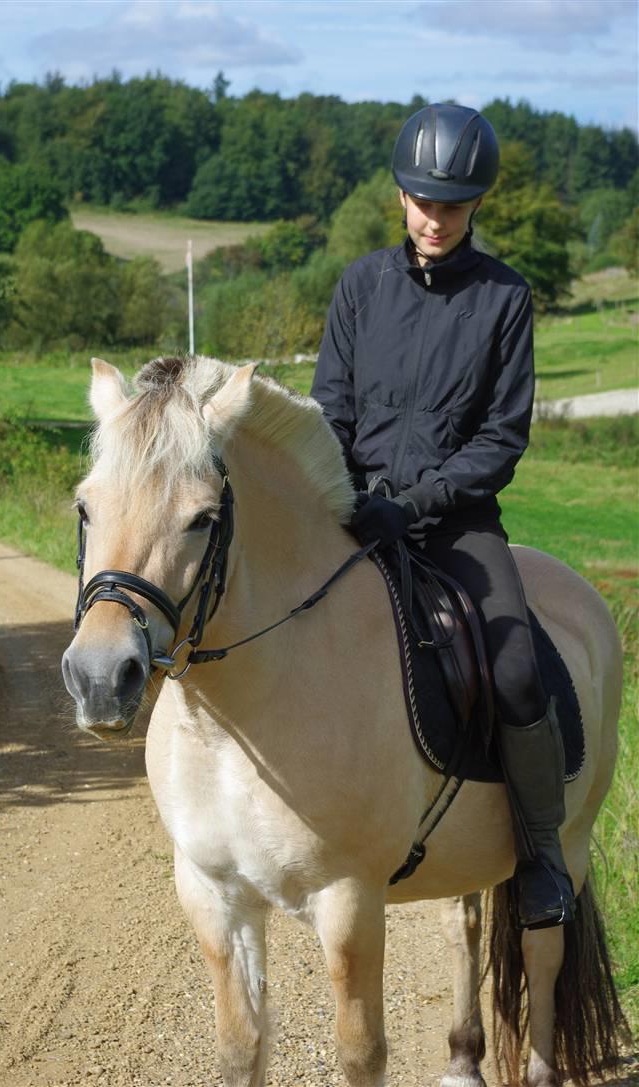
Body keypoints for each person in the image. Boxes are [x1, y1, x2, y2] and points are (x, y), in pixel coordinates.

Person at [311, 102, 574, 930]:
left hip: (457, 522)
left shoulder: (505, 299)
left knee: (519, 670)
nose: (435, 218)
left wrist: (415, 502)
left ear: (477, 206)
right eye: (424, 201)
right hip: (356, 512)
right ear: (400, 195)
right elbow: (330, 413)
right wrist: (350, 498)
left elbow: (502, 438)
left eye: (453, 205)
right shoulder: (359, 285)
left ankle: (541, 856)